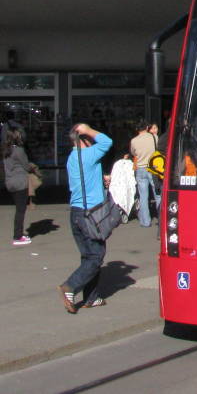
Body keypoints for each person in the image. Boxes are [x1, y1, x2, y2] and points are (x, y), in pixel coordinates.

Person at [59, 123, 113, 313]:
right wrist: (89, 129)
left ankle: (92, 297)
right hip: (91, 215)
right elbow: (107, 141)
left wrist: (101, 180)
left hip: (76, 213)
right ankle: (70, 287)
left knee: (88, 256)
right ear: (83, 139)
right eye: (89, 138)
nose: (92, 140)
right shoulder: (89, 155)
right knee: (96, 256)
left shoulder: (72, 158)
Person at [2, 128, 31, 246]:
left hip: (10, 181)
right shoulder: (19, 150)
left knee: (19, 209)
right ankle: (17, 236)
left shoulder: (6, 150)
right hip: (20, 182)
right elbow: (26, 166)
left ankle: (18, 234)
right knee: (20, 210)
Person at [129, 120, 159, 227]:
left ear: (137, 129)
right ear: (147, 127)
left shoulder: (133, 141)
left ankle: (145, 221)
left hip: (140, 169)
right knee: (158, 194)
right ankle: (161, 219)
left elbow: (133, 153)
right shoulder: (154, 137)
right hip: (153, 168)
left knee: (143, 195)